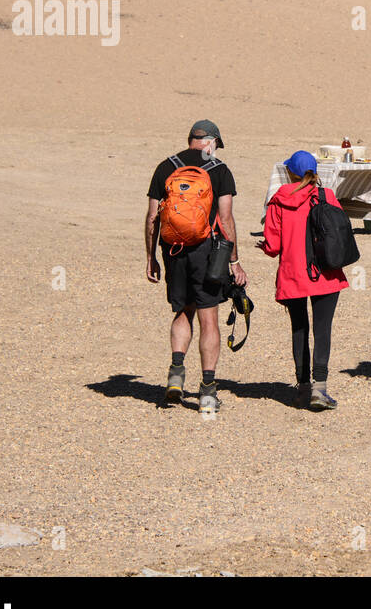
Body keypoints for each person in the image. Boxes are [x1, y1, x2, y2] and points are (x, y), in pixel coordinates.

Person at [145, 120, 246, 414]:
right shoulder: (220, 170)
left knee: (183, 310)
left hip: (174, 250)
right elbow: (226, 219)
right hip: (207, 252)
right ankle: (207, 391)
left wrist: (150, 257)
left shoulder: (166, 167)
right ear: (211, 142)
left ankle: (176, 372)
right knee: (209, 318)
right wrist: (235, 261)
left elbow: (153, 217)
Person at [260, 150, 348, 411]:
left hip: (293, 275)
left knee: (299, 329)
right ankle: (320, 389)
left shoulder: (278, 201)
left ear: (290, 172)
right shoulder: (327, 196)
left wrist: (264, 247)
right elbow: (340, 232)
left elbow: (273, 245)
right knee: (323, 330)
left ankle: (302, 389)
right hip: (325, 273)